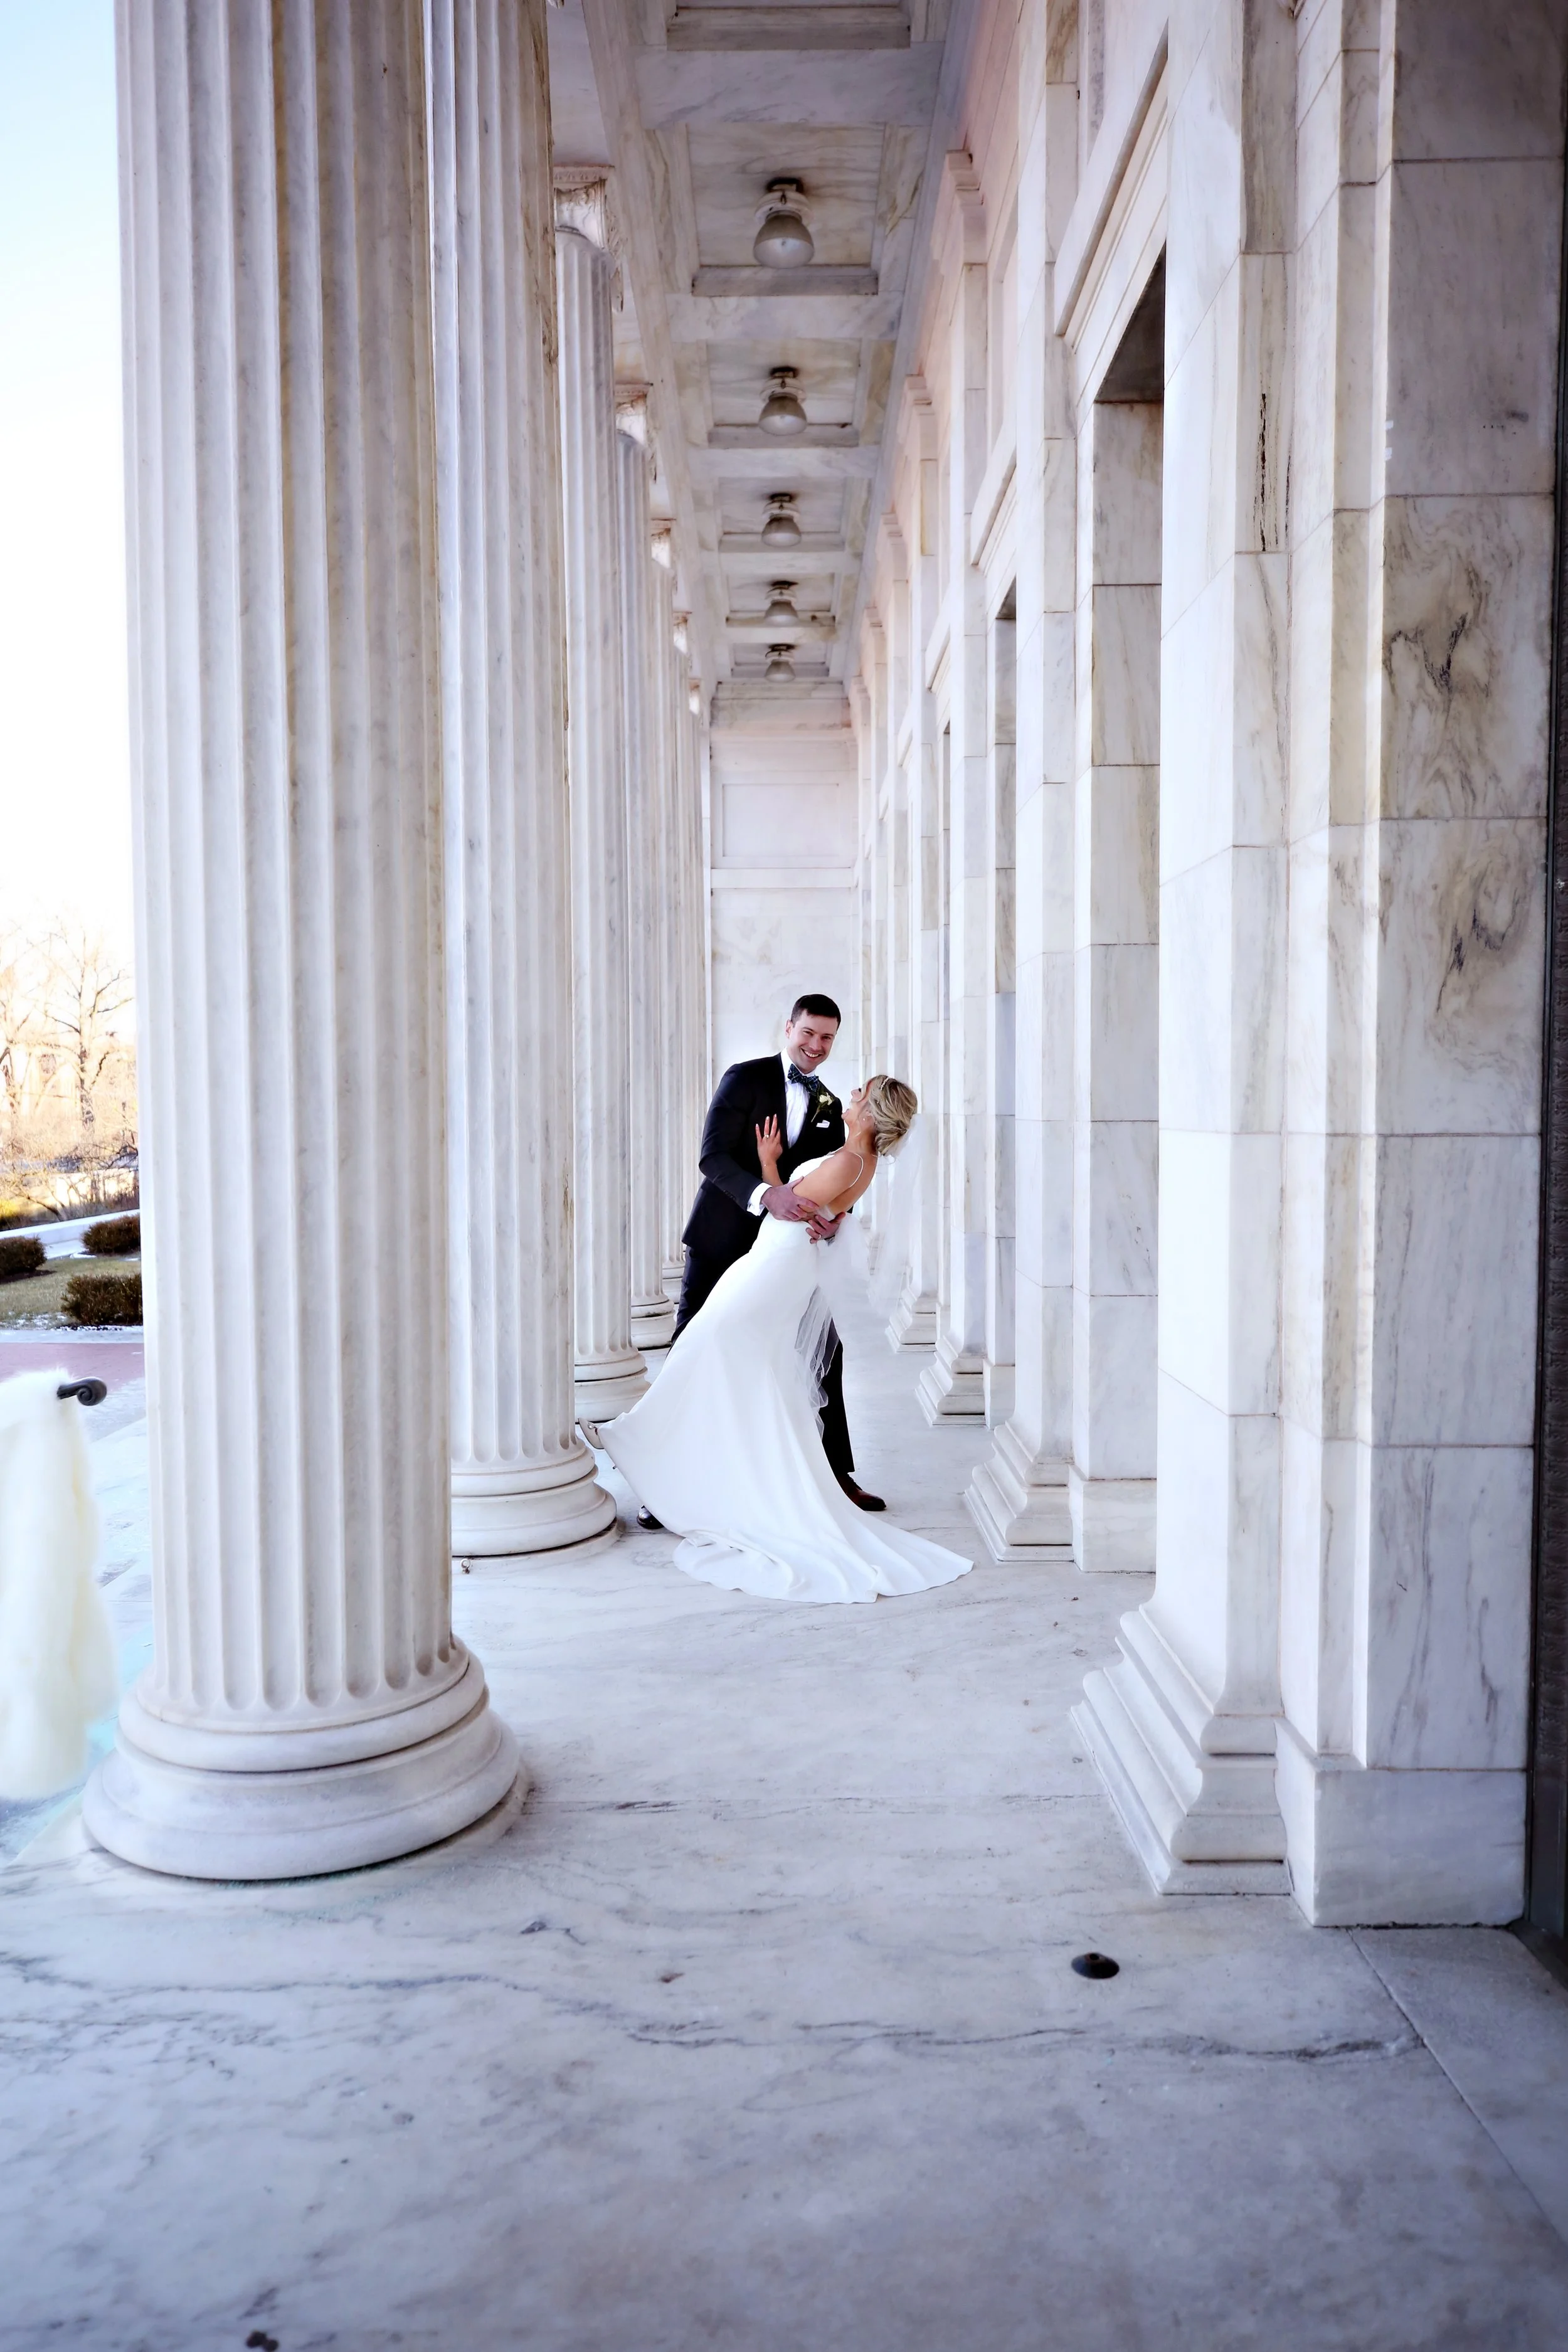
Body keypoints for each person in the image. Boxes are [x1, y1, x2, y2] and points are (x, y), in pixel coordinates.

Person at [602, 1074, 973, 1606]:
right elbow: (809, 1210)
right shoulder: (859, 1165)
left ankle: (640, 1442)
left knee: (705, 1346)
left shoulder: (848, 1161)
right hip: (777, 1264)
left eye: (861, 1095)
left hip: (772, 1269)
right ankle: (683, 1461)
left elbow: (785, 1203)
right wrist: (808, 1198)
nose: (852, 1098)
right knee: (730, 1362)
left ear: (872, 1112)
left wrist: (769, 1161)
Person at [638, 993, 880, 1531]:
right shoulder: (744, 1078)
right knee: (693, 1348)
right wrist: (764, 1194)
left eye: (827, 1039)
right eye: (809, 1033)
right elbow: (713, 1156)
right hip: (724, 1237)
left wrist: (834, 1218)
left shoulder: (833, 1106)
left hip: (790, 1252)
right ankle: (663, 1485)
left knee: (822, 1351)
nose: (816, 1047)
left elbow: (834, 1180)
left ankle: (835, 1473)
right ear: (788, 1027)